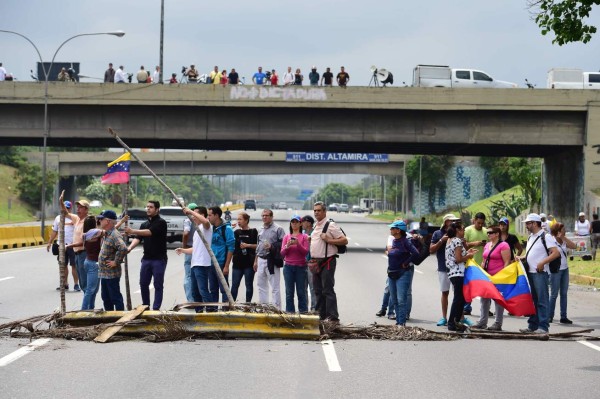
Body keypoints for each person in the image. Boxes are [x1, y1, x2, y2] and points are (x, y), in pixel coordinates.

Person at [518, 213, 560, 334]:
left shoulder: (546, 236)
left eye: (528, 223)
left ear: (535, 223)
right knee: (533, 300)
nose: (526, 225)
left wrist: (542, 263)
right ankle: (532, 325)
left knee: (542, 300)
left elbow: (555, 253)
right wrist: (521, 258)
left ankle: (543, 326)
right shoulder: (530, 237)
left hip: (540, 273)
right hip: (530, 273)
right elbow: (530, 253)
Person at [125, 200, 168, 311]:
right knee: (143, 284)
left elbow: (149, 232)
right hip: (146, 259)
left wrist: (132, 230)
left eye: (151, 207)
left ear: (157, 209)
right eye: (147, 207)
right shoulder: (144, 224)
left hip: (159, 259)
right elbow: (138, 238)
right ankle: (146, 306)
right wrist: (129, 248)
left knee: (158, 285)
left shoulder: (161, 223)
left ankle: (156, 308)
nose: (148, 209)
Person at [310, 201, 348, 322]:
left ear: (324, 211)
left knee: (327, 290)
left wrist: (329, 240)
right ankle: (321, 316)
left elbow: (344, 240)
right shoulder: (316, 225)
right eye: (315, 210)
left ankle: (333, 318)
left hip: (327, 261)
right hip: (316, 262)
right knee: (317, 290)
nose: (316, 212)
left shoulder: (330, 225)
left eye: (319, 210)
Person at [175, 206, 214, 312]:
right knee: (195, 292)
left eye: (195, 214)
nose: (193, 217)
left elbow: (205, 221)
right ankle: (199, 312)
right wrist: (183, 250)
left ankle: (211, 311)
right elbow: (195, 249)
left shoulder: (207, 228)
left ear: (201, 215)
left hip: (202, 265)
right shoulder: (197, 230)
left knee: (203, 290)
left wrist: (190, 211)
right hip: (194, 264)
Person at [472, 225, 511, 331]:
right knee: (484, 299)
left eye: (490, 232)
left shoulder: (503, 245)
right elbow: (484, 259)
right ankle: (482, 322)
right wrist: (481, 270)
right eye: (487, 233)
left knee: (498, 300)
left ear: (497, 234)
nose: (488, 234)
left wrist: (503, 276)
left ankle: (498, 323)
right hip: (486, 276)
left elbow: (507, 261)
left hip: (498, 277)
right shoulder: (488, 245)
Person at [445, 222, 477, 332]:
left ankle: (456, 321)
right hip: (458, 272)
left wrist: (467, 252)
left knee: (461, 298)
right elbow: (458, 259)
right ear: (457, 230)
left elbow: (455, 256)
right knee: (458, 298)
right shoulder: (457, 240)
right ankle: (452, 322)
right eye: (463, 229)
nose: (464, 232)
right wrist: (468, 256)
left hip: (452, 272)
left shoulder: (450, 240)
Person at [429, 213, 460, 326]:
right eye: (451, 221)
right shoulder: (438, 233)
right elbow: (431, 249)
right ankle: (444, 317)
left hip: (457, 268)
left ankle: (460, 317)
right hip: (443, 268)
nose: (453, 222)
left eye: (455, 221)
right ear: (446, 221)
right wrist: (441, 240)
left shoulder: (457, 232)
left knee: (458, 294)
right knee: (445, 292)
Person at [386, 220, 419, 326]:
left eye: (392, 228)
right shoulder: (394, 240)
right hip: (392, 273)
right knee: (394, 299)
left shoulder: (406, 241)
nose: (390, 230)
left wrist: (406, 263)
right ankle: (398, 322)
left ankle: (402, 323)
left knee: (401, 299)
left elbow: (416, 253)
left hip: (403, 274)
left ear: (398, 230)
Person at [68, 216, 103, 310]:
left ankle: (91, 308)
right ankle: (83, 310)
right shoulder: (97, 233)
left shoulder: (85, 235)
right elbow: (109, 231)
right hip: (94, 264)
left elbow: (80, 244)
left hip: (87, 262)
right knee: (90, 289)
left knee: (93, 289)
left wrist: (70, 245)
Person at [254, 208, 285, 308]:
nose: (264, 217)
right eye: (263, 215)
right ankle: (264, 308)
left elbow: (283, 244)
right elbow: (258, 245)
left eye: (266, 215)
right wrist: (255, 261)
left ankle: (277, 309)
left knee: (275, 286)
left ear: (271, 217)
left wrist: (272, 246)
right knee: (261, 285)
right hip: (260, 259)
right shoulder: (260, 229)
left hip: (272, 260)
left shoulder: (278, 229)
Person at [97, 210, 127, 311]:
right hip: (104, 273)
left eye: (101, 219)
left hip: (111, 274)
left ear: (108, 221)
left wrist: (116, 262)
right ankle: (110, 318)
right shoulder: (107, 233)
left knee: (115, 297)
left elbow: (123, 248)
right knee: (106, 298)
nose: (99, 221)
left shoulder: (114, 234)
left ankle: (119, 318)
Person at [46, 200, 80, 291]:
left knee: (74, 265)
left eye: (67, 208)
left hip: (72, 245)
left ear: (70, 208)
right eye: (64, 207)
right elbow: (54, 231)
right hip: (61, 245)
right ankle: (65, 283)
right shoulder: (58, 218)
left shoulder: (74, 217)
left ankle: (76, 284)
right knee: (63, 265)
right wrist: (49, 242)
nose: (65, 209)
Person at [281, 215, 310, 313]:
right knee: (289, 293)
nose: (294, 223)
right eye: (292, 222)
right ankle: (290, 314)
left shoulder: (304, 237)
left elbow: (305, 252)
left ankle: (303, 313)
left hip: (301, 267)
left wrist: (298, 244)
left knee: (301, 292)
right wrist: (287, 246)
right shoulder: (286, 237)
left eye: (296, 222)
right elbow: (282, 253)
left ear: (300, 223)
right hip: (288, 267)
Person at [549, 222, 576, 324]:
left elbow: (574, 246)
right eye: (563, 229)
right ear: (558, 231)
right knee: (554, 294)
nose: (565, 231)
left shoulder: (564, 241)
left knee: (564, 293)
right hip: (555, 270)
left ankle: (563, 316)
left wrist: (564, 238)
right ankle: (549, 316)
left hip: (565, 269)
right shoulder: (551, 241)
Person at [208, 206, 235, 305]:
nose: (208, 217)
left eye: (210, 215)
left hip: (221, 263)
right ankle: (213, 311)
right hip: (211, 264)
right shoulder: (211, 229)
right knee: (212, 289)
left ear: (217, 215)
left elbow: (231, 248)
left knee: (224, 289)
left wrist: (226, 266)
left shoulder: (227, 229)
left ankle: (225, 310)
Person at [463, 212, 487, 315]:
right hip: (469, 263)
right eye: (478, 223)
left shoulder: (486, 232)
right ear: (474, 220)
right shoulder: (468, 230)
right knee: (469, 286)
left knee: (484, 287)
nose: (480, 225)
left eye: (482, 223)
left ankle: (485, 309)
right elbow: (463, 246)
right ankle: (467, 307)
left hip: (482, 264)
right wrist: (474, 244)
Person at [231, 211, 258, 302]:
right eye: (237, 219)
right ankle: (232, 304)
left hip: (249, 264)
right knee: (234, 285)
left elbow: (258, 246)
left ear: (246, 220)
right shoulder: (236, 232)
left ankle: (248, 305)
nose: (238, 221)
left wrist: (248, 245)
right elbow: (230, 244)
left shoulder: (253, 231)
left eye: (240, 219)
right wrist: (230, 229)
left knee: (249, 285)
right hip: (237, 264)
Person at [181, 202, 200, 302]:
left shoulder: (188, 220)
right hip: (199, 250)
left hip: (190, 249)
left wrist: (184, 246)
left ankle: (191, 300)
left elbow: (186, 233)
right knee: (198, 274)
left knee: (188, 276)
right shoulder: (199, 220)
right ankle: (198, 298)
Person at [72, 200, 91, 294]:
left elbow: (85, 241)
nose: (78, 209)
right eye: (77, 207)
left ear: (86, 210)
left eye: (80, 208)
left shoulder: (88, 222)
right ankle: (87, 304)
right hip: (77, 253)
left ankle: (88, 305)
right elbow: (66, 213)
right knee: (82, 281)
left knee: (84, 282)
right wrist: (61, 202)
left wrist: (70, 246)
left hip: (83, 253)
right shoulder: (77, 219)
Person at [301, 215, 317, 311]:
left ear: (309, 223)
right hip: (302, 264)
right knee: (303, 288)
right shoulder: (301, 234)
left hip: (312, 263)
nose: (301, 224)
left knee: (313, 288)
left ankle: (314, 308)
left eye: (303, 221)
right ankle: (304, 309)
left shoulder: (315, 234)